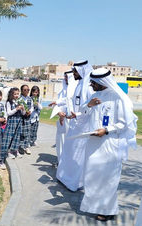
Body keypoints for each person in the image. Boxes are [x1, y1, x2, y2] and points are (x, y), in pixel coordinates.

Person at [76, 68, 138, 221]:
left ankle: (108, 210)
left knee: (108, 177)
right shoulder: (95, 95)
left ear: (101, 82)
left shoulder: (118, 98)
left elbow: (125, 123)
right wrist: (88, 105)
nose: (90, 84)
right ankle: (94, 206)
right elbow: (82, 113)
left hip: (110, 144)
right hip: (93, 143)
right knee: (92, 175)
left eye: (93, 82)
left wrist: (107, 130)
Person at [56, 60, 94, 191]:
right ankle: (65, 177)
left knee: (78, 155)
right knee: (69, 152)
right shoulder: (79, 84)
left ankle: (76, 182)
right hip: (74, 124)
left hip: (84, 127)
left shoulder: (89, 86)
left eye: (75, 71)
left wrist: (77, 114)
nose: (73, 74)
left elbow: (91, 107)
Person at [49, 71, 78, 164]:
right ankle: (61, 162)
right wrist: (59, 113)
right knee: (60, 141)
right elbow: (58, 103)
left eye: (67, 77)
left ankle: (69, 163)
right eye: (65, 77)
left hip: (73, 121)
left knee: (71, 143)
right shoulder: (63, 91)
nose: (65, 79)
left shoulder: (76, 91)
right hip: (63, 120)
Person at [2, 87, 25, 159]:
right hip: (12, 121)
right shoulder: (9, 102)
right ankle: (8, 151)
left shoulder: (20, 102)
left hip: (18, 121)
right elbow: (9, 113)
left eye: (18, 94)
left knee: (17, 136)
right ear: (11, 94)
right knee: (9, 136)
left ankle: (15, 150)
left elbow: (23, 113)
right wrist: (16, 109)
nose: (16, 95)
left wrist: (23, 109)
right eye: (15, 94)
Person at [19, 84, 33, 155]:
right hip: (21, 117)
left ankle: (27, 147)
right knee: (21, 132)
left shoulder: (30, 99)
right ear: (22, 91)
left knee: (27, 132)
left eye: (28, 89)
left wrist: (30, 111)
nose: (26, 91)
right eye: (25, 90)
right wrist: (24, 112)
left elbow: (32, 107)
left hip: (28, 117)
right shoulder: (20, 99)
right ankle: (21, 146)